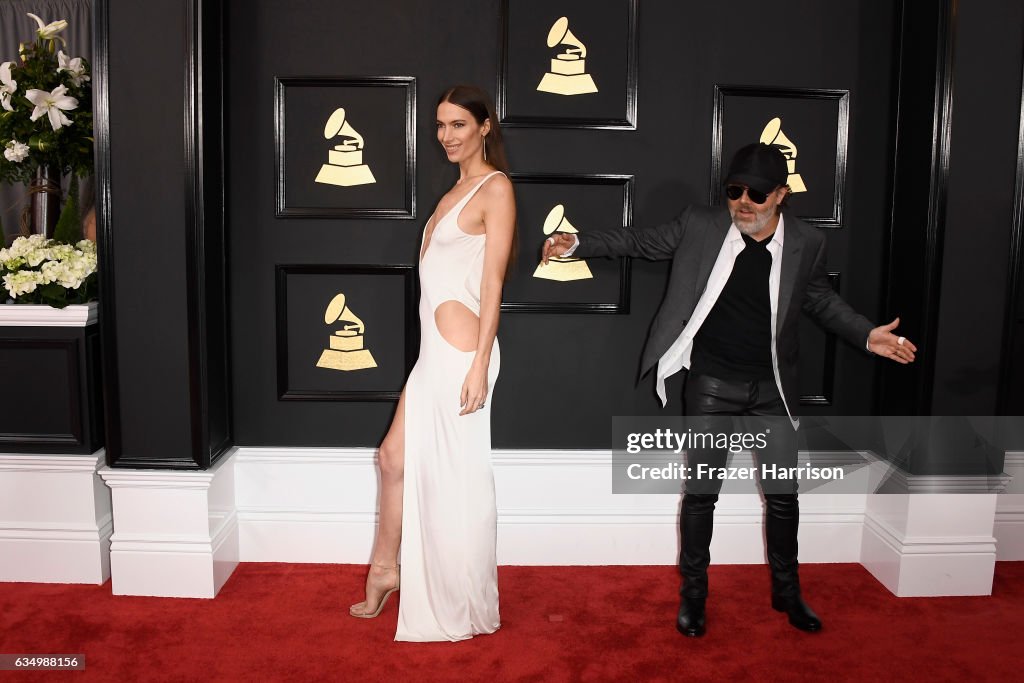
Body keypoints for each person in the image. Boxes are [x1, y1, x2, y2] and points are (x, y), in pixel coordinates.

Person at [542, 143, 917, 638]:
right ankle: (694, 596)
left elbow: (821, 301)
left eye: (757, 193)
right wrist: (578, 242)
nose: (744, 201)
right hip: (712, 386)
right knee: (701, 495)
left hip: (773, 392)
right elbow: (642, 241)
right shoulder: (701, 224)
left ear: (781, 195)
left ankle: (788, 593)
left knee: (784, 497)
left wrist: (867, 334)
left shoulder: (805, 241)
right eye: (735, 190)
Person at [349, 85, 516, 642]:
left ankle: (445, 590)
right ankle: (386, 568)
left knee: (453, 481)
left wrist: (480, 365)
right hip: (434, 356)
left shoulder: (496, 189)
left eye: (459, 125)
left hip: (462, 358)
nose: (446, 136)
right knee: (392, 458)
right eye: (441, 125)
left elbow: (493, 286)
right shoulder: (454, 191)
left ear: (484, 127)